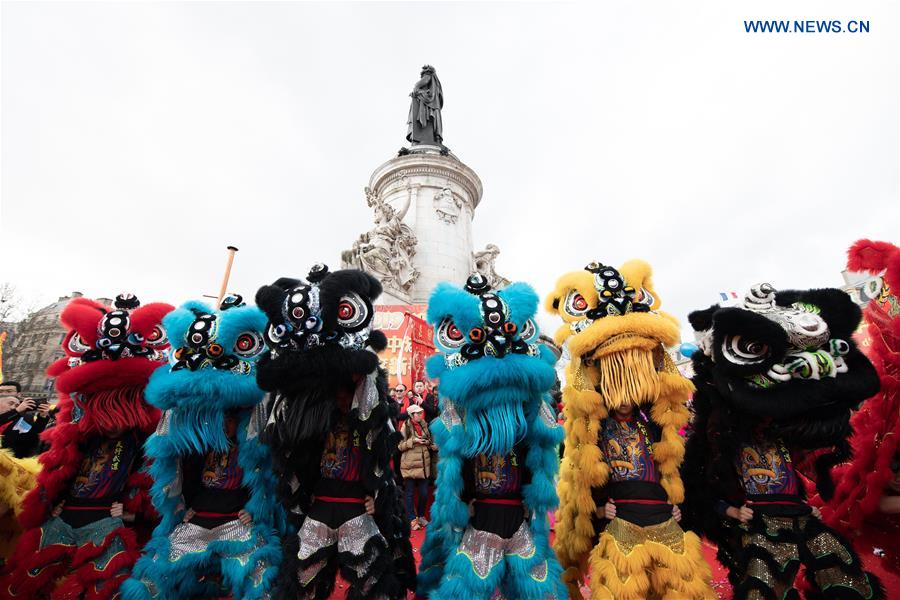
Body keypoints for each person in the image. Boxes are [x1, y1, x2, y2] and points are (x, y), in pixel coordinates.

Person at [682, 283, 884, 599]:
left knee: (844, 576)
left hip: (800, 514)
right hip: (762, 522)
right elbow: (703, 482)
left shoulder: (783, 432)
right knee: (764, 587)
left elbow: (811, 464)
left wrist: (821, 497)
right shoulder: (722, 437)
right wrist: (731, 512)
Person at [547, 260, 714, 600]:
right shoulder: (594, 427)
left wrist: (682, 508)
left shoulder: (653, 424)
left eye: (630, 390)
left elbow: (677, 466)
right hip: (620, 521)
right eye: (616, 389)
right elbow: (581, 484)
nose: (624, 400)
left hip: (663, 518)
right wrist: (597, 511)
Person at [255, 265, 415, 599]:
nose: (342, 395)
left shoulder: (367, 412)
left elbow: (382, 447)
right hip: (319, 506)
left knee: (374, 584)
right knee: (300, 584)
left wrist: (378, 498)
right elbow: (287, 448)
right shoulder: (311, 420)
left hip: (358, 507)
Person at [0, 294, 173, 600]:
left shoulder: (143, 437)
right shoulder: (80, 435)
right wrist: (52, 501)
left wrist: (132, 511)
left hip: (107, 521)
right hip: (66, 515)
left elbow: (152, 482)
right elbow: (58, 468)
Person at [122, 298, 288, 599]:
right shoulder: (197, 442)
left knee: (261, 583)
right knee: (150, 584)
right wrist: (181, 508)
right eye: (218, 417)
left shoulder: (256, 433)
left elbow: (270, 472)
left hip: (239, 523)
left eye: (227, 416)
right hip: (197, 518)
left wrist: (257, 510)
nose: (222, 422)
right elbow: (176, 465)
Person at [417, 275, 566, 599]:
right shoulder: (462, 417)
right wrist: (461, 507)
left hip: (518, 518)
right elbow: (453, 468)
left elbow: (541, 449)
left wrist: (530, 508)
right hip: (477, 518)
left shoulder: (526, 418)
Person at [398, 404, 435, 530]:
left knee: (424, 493)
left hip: (424, 465)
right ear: (411, 415)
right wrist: (413, 441)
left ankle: (421, 516)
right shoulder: (406, 426)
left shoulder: (424, 424)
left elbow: (429, 440)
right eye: (417, 413)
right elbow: (400, 446)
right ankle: (412, 519)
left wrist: (428, 443)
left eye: (421, 413)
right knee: (409, 493)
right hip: (410, 465)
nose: (420, 415)